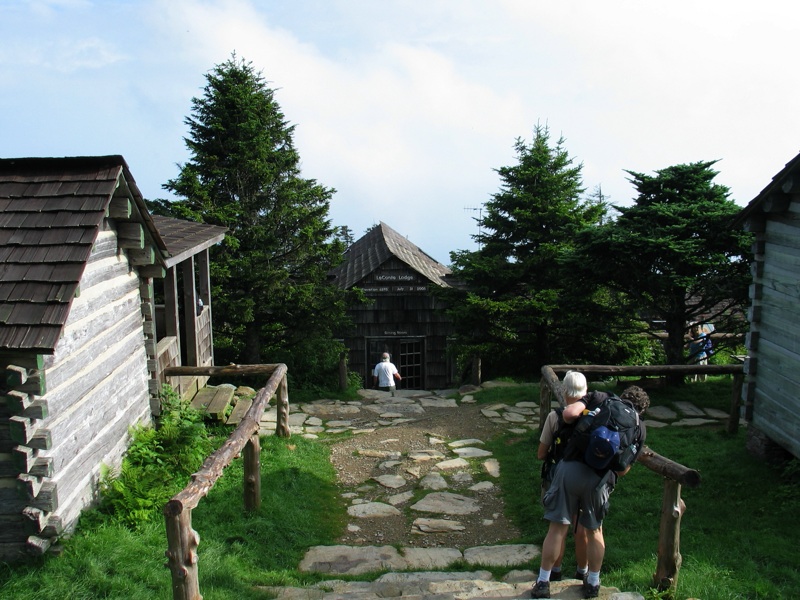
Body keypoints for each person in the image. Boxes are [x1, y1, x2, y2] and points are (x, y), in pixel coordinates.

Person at [530, 379, 650, 599]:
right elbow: (622, 470)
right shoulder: (639, 427)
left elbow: (568, 415)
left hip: (570, 468)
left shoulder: (601, 397)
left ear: (622, 396)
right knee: (595, 531)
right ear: (642, 410)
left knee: (557, 528)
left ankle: (543, 581)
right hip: (600, 480)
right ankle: (593, 582)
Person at [537, 370, 589, 582]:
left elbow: (541, 453)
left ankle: (553, 573)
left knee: (558, 528)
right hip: (587, 477)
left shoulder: (554, 417)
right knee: (583, 528)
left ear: (565, 391)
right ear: (586, 391)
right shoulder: (595, 416)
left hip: (560, 476)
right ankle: (583, 573)